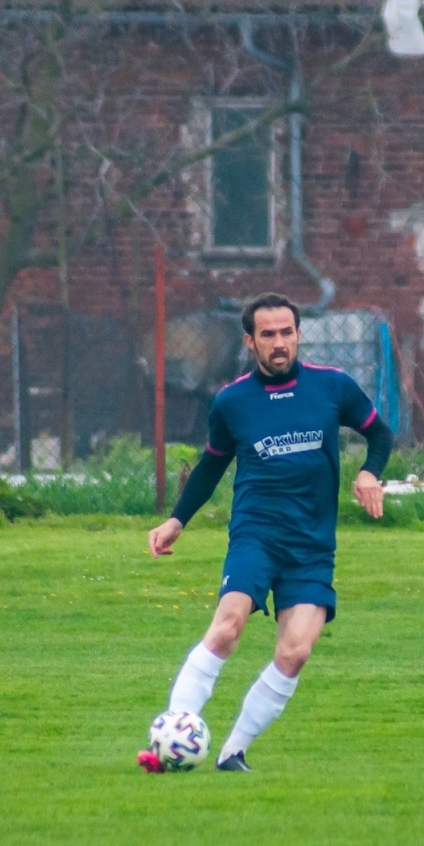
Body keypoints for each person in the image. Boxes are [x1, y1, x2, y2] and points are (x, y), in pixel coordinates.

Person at [142, 293, 394, 772]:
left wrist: (369, 473)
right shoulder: (232, 401)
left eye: (286, 333)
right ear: (250, 341)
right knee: (227, 626)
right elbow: (211, 467)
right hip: (257, 535)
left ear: (299, 335)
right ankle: (172, 734)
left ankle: (232, 751)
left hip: (312, 544)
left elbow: (380, 434)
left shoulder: (333, 387)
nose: (279, 343)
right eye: (268, 335)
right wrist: (177, 520)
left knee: (296, 650)